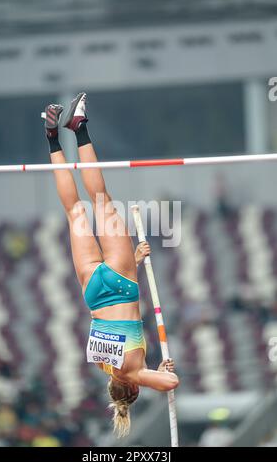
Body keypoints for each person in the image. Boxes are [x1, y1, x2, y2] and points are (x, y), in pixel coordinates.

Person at [42, 93, 179, 438]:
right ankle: (52, 137)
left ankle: (79, 129)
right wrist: (133, 260)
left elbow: (171, 381)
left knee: (100, 202)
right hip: (94, 291)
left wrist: (156, 373)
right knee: (74, 211)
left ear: (132, 391)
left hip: (120, 284)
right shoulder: (105, 366)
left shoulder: (133, 374)